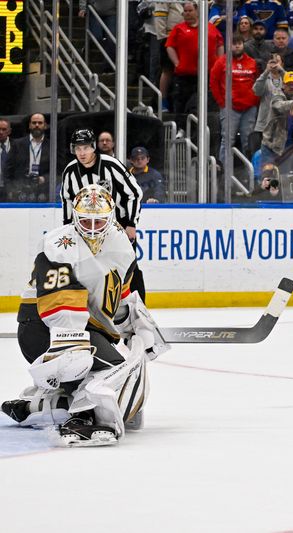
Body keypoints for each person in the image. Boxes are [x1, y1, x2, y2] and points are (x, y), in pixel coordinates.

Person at [1, 184, 169, 446]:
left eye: (99, 220)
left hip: (83, 326)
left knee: (110, 369)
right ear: (75, 217)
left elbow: (118, 295)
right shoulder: (58, 243)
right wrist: (72, 345)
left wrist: (137, 323)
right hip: (41, 328)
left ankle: (41, 405)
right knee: (115, 373)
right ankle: (85, 417)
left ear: (111, 218)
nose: (92, 227)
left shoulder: (121, 245)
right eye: (86, 220)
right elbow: (61, 301)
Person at [61, 129, 146, 301]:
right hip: (84, 229)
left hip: (117, 226)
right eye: (78, 148)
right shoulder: (70, 171)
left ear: (93, 147)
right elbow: (67, 201)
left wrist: (131, 224)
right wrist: (68, 230)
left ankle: (139, 310)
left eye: (85, 148)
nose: (82, 153)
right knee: (84, 268)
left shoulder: (111, 165)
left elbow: (135, 193)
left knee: (129, 268)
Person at [165, 1, 224, 114]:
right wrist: (177, 63)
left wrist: (219, 62)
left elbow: (220, 44)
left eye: (190, 11)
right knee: (182, 103)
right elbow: (169, 46)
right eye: (185, 11)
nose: (187, 13)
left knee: (203, 104)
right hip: (185, 75)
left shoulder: (210, 27)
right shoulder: (178, 28)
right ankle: (181, 129)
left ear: (196, 11)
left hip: (207, 74)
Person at [210, 34, 260, 163]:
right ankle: (224, 172)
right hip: (230, 108)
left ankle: (250, 172)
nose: (237, 46)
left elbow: (258, 83)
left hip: (249, 107)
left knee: (248, 140)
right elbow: (213, 83)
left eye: (239, 43)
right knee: (227, 140)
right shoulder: (221, 62)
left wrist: (255, 101)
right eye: (234, 43)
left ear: (243, 45)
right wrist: (222, 103)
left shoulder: (252, 62)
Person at [259, 71, 293, 181]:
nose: (291, 87)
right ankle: (267, 195)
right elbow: (279, 106)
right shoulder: (277, 97)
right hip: (271, 145)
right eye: (288, 84)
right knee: (268, 178)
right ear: (283, 85)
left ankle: (280, 196)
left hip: (287, 146)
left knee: (283, 180)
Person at [5, 113, 51, 203]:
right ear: (30, 125)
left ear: (45, 126)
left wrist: (44, 178)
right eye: (34, 123)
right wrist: (9, 189)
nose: (37, 125)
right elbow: (8, 168)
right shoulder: (17, 144)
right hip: (20, 190)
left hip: (43, 192)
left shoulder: (52, 146)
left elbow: (59, 170)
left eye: (40, 123)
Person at [0, 117, 12, 201]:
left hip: (11, 189)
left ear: (9, 131)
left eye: (4, 129)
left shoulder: (18, 146)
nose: (0, 132)